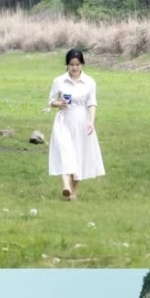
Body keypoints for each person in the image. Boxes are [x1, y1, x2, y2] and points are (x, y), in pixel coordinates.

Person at [48, 49, 105, 200]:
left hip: (81, 120)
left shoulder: (89, 82)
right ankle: (66, 185)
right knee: (65, 152)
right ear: (67, 65)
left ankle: (74, 191)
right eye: (71, 64)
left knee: (79, 155)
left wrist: (91, 123)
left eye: (77, 64)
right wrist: (58, 103)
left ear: (82, 64)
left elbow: (92, 103)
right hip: (64, 120)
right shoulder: (59, 81)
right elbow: (51, 100)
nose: (74, 68)